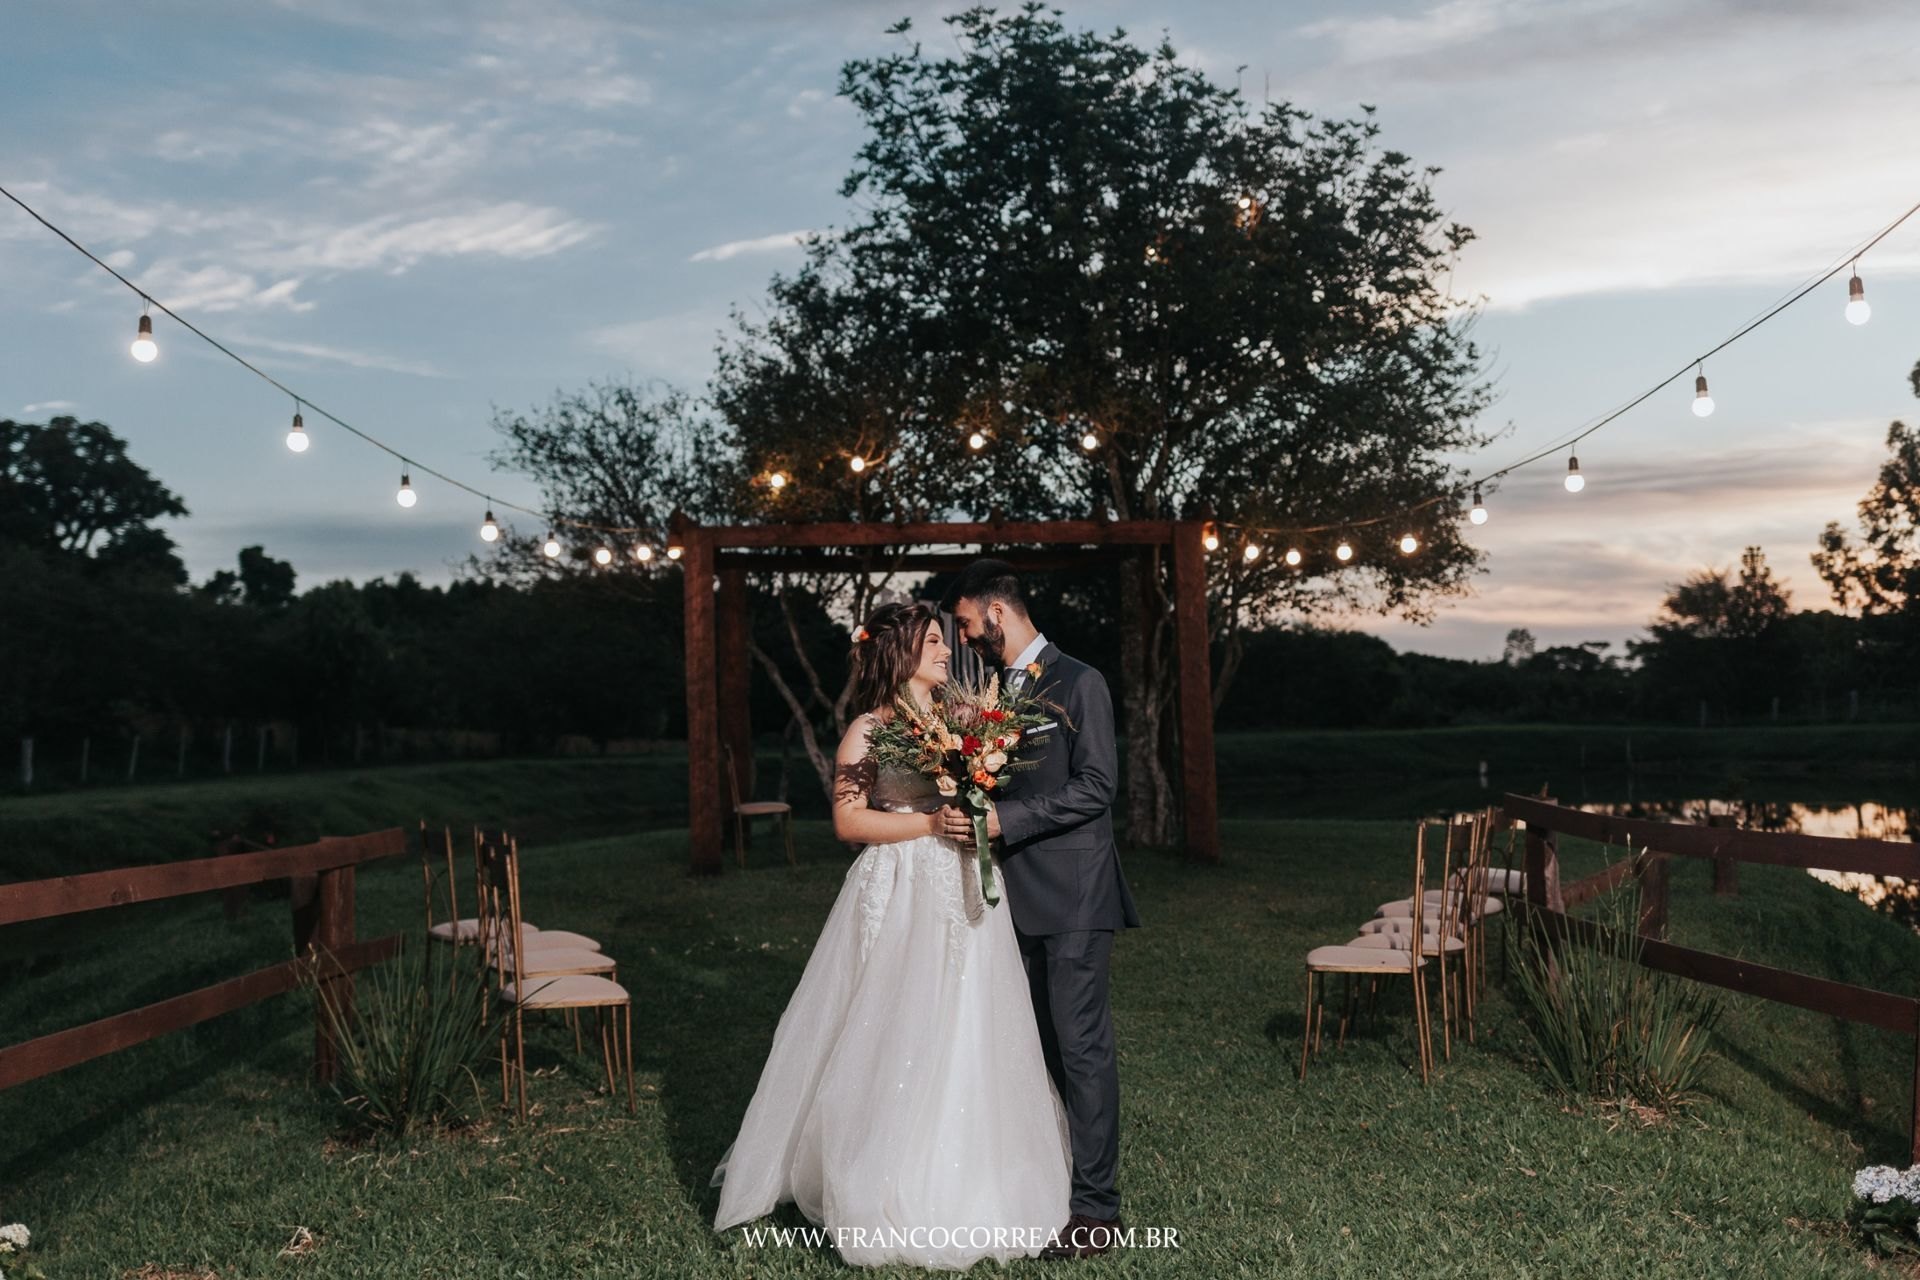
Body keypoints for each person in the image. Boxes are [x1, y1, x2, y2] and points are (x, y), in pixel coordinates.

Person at [711, 601, 1071, 1269]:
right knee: (897, 1018)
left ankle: (973, 1169)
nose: (946, 651)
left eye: (944, 640)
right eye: (934, 641)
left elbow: (975, 793)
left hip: (965, 888)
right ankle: (880, 1171)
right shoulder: (867, 731)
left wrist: (976, 803)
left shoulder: (961, 722)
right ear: (901, 652)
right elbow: (849, 824)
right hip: (902, 886)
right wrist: (931, 827)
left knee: (970, 1017)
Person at [941, 558, 1141, 1261]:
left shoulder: (1081, 682)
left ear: (995, 611)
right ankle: (1055, 1183)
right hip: (1016, 901)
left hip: (1077, 896)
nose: (965, 640)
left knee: (1082, 1049)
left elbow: (1097, 787)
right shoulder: (999, 692)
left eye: (966, 624)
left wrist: (1003, 822)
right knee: (1043, 1050)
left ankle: (1096, 1214)